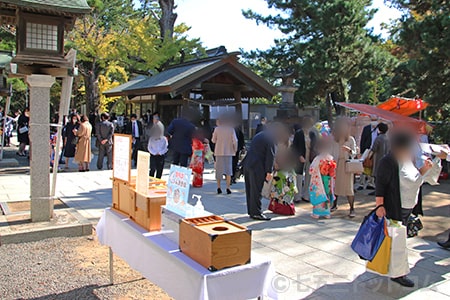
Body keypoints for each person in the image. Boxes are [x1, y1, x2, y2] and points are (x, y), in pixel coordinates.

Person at [375, 130, 444, 287]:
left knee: (398, 240)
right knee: (397, 241)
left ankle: (394, 269)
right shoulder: (388, 161)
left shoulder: (407, 159)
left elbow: (415, 178)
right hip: (394, 207)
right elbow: (381, 185)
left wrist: (426, 169)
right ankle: (398, 273)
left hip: (407, 207)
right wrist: (379, 205)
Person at [243, 123, 280, 221]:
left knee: (250, 189)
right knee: (256, 190)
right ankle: (256, 213)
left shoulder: (259, 135)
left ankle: (251, 211)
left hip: (248, 164)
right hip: (257, 166)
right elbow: (270, 155)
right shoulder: (271, 138)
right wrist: (269, 171)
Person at [330, 117, 357, 217]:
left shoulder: (350, 139)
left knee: (348, 188)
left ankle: (352, 208)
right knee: (335, 186)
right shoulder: (334, 140)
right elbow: (330, 152)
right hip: (336, 164)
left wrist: (349, 151)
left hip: (347, 165)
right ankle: (334, 205)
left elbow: (355, 152)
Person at [309, 138, 336, 219]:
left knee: (319, 194)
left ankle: (317, 213)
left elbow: (311, 169)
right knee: (327, 194)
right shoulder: (330, 158)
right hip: (327, 179)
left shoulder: (318, 158)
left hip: (319, 179)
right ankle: (327, 213)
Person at [211, 115, 238, 194]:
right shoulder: (231, 129)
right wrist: (235, 149)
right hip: (229, 152)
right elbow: (235, 141)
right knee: (228, 171)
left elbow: (213, 140)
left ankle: (219, 187)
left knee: (218, 170)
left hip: (219, 151)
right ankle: (228, 187)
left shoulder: (217, 129)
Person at [368, 122, 390, 195]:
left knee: (377, 176)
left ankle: (378, 191)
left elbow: (373, 149)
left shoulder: (378, 138)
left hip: (378, 159)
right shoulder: (388, 138)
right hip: (387, 160)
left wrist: (368, 157)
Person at [359, 115, 379, 190]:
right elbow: (362, 139)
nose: (374, 121)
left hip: (376, 150)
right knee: (363, 166)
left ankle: (371, 183)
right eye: (372, 119)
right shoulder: (366, 128)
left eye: (375, 119)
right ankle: (361, 183)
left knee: (372, 166)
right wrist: (361, 151)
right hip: (367, 149)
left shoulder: (379, 129)